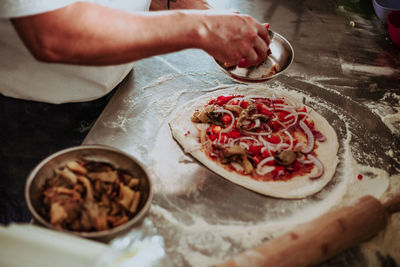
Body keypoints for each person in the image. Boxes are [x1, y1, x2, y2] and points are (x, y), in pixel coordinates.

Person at [0, 0, 270, 104]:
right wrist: (200, 29)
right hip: (30, 110)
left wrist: (191, 8)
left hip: (118, 85)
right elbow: (53, 32)